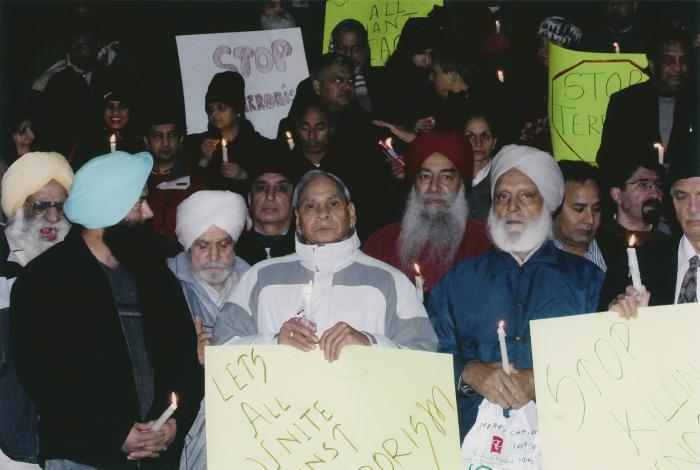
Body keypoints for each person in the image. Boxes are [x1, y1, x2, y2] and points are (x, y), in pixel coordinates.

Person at [180, 170, 437, 470]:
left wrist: (370, 344)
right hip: (273, 446)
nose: (323, 213)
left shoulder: (389, 282)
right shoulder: (261, 277)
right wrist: (274, 342)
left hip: (361, 445)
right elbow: (222, 354)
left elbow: (427, 364)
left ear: (351, 214)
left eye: (333, 203)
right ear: (298, 218)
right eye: (311, 206)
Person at [11, 151, 202, 469]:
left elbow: (184, 362)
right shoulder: (44, 281)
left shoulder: (156, 276)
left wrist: (173, 424)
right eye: (139, 202)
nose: (150, 212)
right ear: (108, 209)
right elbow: (44, 377)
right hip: (81, 455)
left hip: (155, 457)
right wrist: (112, 431)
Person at [429, 145, 604, 439]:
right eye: (502, 197)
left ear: (547, 203)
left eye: (526, 195)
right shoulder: (458, 280)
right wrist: (470, 373)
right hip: (473, 443)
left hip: (561, 440)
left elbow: (602, 362)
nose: (512, 207)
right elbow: (427, 351)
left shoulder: (587, 280)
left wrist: (541, 380)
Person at [0, 152, 73, 469]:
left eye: (60, 206)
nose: (54, 217)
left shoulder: (79, 258)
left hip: (71, 431)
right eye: (41, 206)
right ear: (18, 206)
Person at [363, 131, 491, 294]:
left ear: (461, 184)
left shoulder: (486, 242)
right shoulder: (379, 244)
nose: (434, 187)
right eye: (425, 176)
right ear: (413, 183)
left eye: (446, 177)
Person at [603, 142, 700, 311]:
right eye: (682, 196)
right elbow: (600, 327)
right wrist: (620, 312)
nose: (693, 208)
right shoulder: (639, 262)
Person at [168, 190, 250, 366]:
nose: (214, 257)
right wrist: (189, 352)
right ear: (188, 248)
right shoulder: (164, 285)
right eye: (203, 246)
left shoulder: (255, 284)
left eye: (223, 245)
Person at [597, 26, 692, 174]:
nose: (678, 68)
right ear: (653, 65)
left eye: (684, 60)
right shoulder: (626, 102)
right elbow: (607, 157)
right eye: (669, 61)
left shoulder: (694, 100)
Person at [185, 71, 283, 195]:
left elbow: (272, 186)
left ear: (236, 109)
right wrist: (203, 161)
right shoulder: (199, 144)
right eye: (211, 108)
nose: (214, 114)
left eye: (221, 107)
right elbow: (191, 190)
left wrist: (244, 175)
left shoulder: (259, 146)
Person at [144, 109, 206, 252]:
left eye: (171, 135)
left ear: (180, 140)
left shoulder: (196, 179)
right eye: (157, 136)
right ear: (147, 141)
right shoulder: (136, 179)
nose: (165, 143)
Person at [596, 157, 668, 264]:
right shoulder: (598, 243)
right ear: (617, 195)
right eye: (643, 185)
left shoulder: (667, 245)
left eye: (659, 186)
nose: (656, 194)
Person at [235, 165, 296, 266]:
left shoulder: (308, 249)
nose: (270, 196)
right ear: (250, 199)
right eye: (261, 188)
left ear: (293, 201)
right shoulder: (232, 249)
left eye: (280, 188)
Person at [553, 161, 607, 271]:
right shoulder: (532, 259)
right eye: (579, 209)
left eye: (596, 209)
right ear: (554, 207)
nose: (590, 220)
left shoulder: (617, 250)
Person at [464, 114, 499, 220]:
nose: (478, 143)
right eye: (470, 136)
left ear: (494, 141)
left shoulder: (502, 178)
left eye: (485, 136)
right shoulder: (450, 177)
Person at [582, 1, 649, 54]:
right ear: (603, 7)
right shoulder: (592, 39)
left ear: (634, 5)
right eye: (610, 1)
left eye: (621, 1)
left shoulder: (649, 41)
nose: (615, 6)